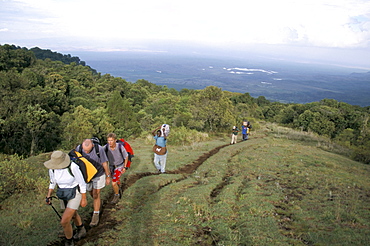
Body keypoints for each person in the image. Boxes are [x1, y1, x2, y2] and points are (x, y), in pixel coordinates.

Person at [44, 150, 87, 246]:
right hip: (63, 193)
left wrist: (84, 198)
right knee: (73, 214)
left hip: (75, 192)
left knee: (64, 221)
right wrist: (49, 195)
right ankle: (81, 229)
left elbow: (82, 183)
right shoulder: (52, 169)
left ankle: (69, 241)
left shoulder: (73, 167)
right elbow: (52, 182)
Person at [76, 138, 110, 227]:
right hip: (86, 175)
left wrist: (108, 176)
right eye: (85, 151)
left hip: (98, 174)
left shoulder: (99, 149)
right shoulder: (78, 149)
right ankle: (98, 203)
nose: (86, 153)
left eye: (88, 151)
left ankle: (96, 214)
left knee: (95, 194)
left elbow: (104, 163)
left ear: (93, 146)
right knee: (91, 192)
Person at [104, 133, 129, 204]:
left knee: (113, 183)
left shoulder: (120, 147)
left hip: (119, 166)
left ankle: (116, 195)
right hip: (111, 166)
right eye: (108, 141)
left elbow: (126, 156)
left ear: (115, 140)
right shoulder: (106, 147)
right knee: (116, 181)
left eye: (111, 140)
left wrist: (124, 167)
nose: (110, 142)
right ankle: (119, 189)